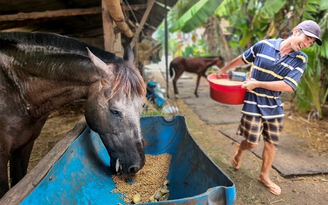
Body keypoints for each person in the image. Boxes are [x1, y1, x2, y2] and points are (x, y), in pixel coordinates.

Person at [216, 20, 322, 196]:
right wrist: (223, 70)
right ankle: (240, 148)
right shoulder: (264, 45)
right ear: (296, 31)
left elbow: (288, 86)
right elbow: (242, 59)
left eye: (311, 42)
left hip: (273, 104)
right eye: (308, 38)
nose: (308, 43)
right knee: (252, 143)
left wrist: (257, 83)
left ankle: (264, 176)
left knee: (271, 143)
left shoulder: (301, 59)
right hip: (253, 100)